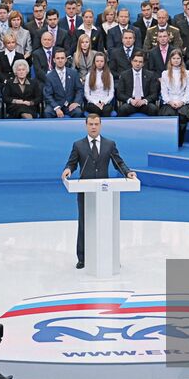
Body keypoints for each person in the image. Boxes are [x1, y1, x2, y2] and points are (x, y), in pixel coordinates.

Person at [61, 114, 136, 269]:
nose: (93, 127)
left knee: (106, 223)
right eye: (90, 124)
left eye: (96, 124)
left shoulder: (109, 144)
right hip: (85, 190)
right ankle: (82, 257)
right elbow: (72, 163)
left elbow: (118, 162)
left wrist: (127, 172)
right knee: (84, 222)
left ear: (100, 125)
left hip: (105, 191)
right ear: (86, 125)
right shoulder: (78, 145)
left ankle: (110, 256)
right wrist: (68, 169)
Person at [158, 50, 189, 145]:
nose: (176, 60)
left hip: (183, 101)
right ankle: (170, 141)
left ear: (181, 60)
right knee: (169, 114)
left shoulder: (188, 73)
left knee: (182, 115)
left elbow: (188, 91)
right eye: (174, 58)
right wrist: (170, 102)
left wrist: (181, 102)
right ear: (170, 60)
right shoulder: (165, 74)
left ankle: (180, 141)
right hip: (169, 102)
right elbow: (164, 92)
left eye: (178, 58)